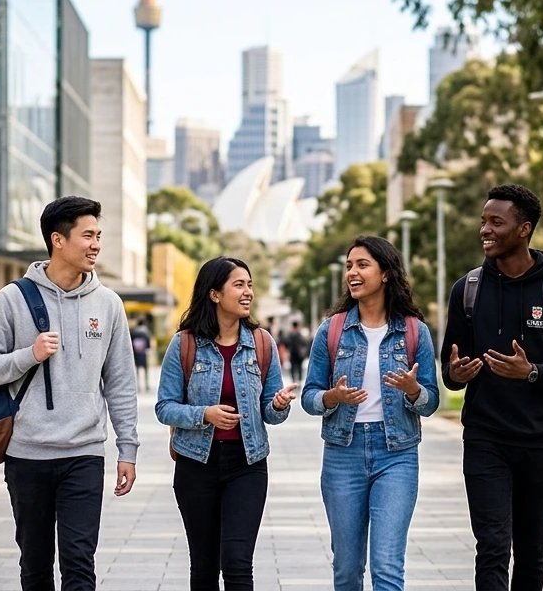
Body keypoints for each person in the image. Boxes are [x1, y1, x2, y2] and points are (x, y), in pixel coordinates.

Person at [0, 196, 140, 591]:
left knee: (80, 562)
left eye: (99, 235)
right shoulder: (12, 299)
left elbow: (120, 382)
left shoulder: (109, 304)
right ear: (58, 240)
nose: (96, 244)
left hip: (84, 452)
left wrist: (127, 449)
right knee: (35, 564)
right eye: (88, 235)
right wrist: (29, 355)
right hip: (27, 453)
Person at [442, 185, 543, 591]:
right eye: (483, 221)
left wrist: (531, 373)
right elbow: (449, 373)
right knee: (491, 546)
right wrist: (457, 373)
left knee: (530, 548)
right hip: (485, 438)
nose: (484, 230)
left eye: (495, 222)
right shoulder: (467, 290)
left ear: (524, 229)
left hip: (541, 441)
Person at [301, 235, 439, 591]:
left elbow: (432, 400)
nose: (353, 272)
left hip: (397, 455)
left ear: (386, 273)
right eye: (349, 266)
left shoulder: (413, 330)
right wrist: (332, 397)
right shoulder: (331, 330)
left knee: (387, 566)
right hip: (342, 455)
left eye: (362, 265)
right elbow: (309, 396)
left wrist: (413, 391)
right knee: (347, 569)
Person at [157, 257, 297, 591]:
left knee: (237, 563)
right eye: (239, 285)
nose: (248, 292)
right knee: (204, 567)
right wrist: (204, 415)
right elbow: (164, 407)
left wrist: (277, 405)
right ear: (214, 294)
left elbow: (270, 413)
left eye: (249, 285)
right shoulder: (186, 344)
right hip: (196, 464)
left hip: (247, 465)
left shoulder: (261, 343)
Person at [130, 318, 153, 392]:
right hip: (143, 353)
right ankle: (146, 384)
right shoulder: (145, 332)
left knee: (137, 370)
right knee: (145, 369)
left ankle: (138, 385)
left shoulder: (134, 332)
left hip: (136, 353)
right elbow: (148, 343)